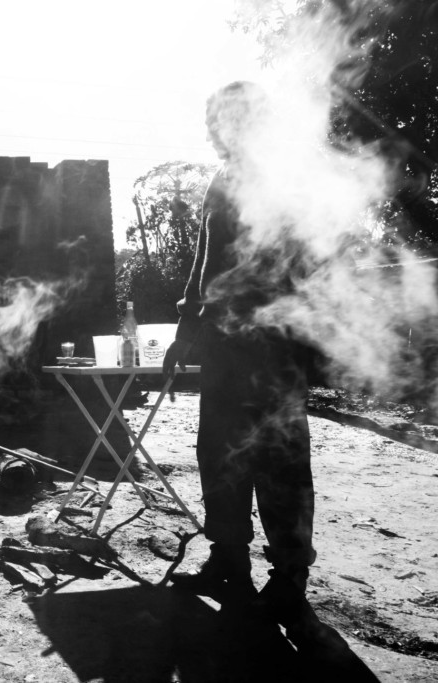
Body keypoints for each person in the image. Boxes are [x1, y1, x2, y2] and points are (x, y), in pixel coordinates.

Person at [162, 82, 318, 634]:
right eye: (211, 123)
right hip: (224, 348)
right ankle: (228, 559)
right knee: (220, 456)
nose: (213, 132)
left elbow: (307, 264)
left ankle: (290, 579)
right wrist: (186, 333)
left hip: (274, 347)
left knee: (280, 463)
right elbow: (203, 264)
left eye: (221, 122)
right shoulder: (222, 180)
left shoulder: (285, 178)